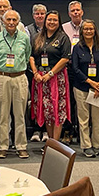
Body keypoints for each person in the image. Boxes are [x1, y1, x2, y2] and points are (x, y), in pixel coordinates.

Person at [0, 9, 32, 159]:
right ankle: (2, 146)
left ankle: (21, 146)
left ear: (18, 22)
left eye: (14, 20)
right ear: (3, 21)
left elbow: (27, 55)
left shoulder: (24, 38)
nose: (12, 23)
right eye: (9, 20)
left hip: (20, 77)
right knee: (2, 115)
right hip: (2, 77)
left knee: (20, 114)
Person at [30, 10, 73, 145]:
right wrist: (35, 73)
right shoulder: (37, 37)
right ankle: (50, 143)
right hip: (40, 78)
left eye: (55, 20)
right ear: (45, 21)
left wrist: (50, 74)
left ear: (59, 22)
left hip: (56, 77)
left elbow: (65, 59)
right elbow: (31, 56)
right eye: (49, 20)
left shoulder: (63, 38)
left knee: (57, 111)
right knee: (47, 111)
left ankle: (55, 144)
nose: (52, 22)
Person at [69, 18, 99, 158]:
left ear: (95, 30)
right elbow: (75, 68)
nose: (88, 31)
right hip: (82, 88)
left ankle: (96, 145)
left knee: (97, 120)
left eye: (91, 29)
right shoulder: (77, 48)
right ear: (82, 31)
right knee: (83, 119)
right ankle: (86, 146)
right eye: (86, 29)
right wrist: (90, 82)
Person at [25, 3, 48, 143]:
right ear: (33, 16)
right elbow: (28, 52)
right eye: (37, 14)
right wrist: (34, 72)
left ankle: (45, 129)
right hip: (33, 72)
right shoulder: (28, 30)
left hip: (48, 72)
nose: (40, 16)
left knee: (47, 102)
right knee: (35, 101)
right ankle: (35, 129)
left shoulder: (52, 29)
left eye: (42, 13)